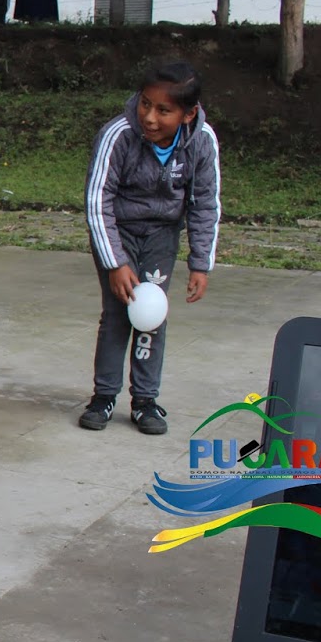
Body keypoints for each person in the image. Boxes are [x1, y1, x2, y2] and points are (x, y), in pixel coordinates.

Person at [80, 62, 221, 435]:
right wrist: (115, 262)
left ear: (188, 114)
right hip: (117, 232)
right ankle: (103, 396)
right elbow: (97, 201)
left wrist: (200, 263)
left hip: (162, 234)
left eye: (163, 110)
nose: (150, 117)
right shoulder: (118, 135)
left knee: (151, 313)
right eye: (145, 104)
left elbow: (205, 204)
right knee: (118, 312)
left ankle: (144, 401)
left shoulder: (202, 140)